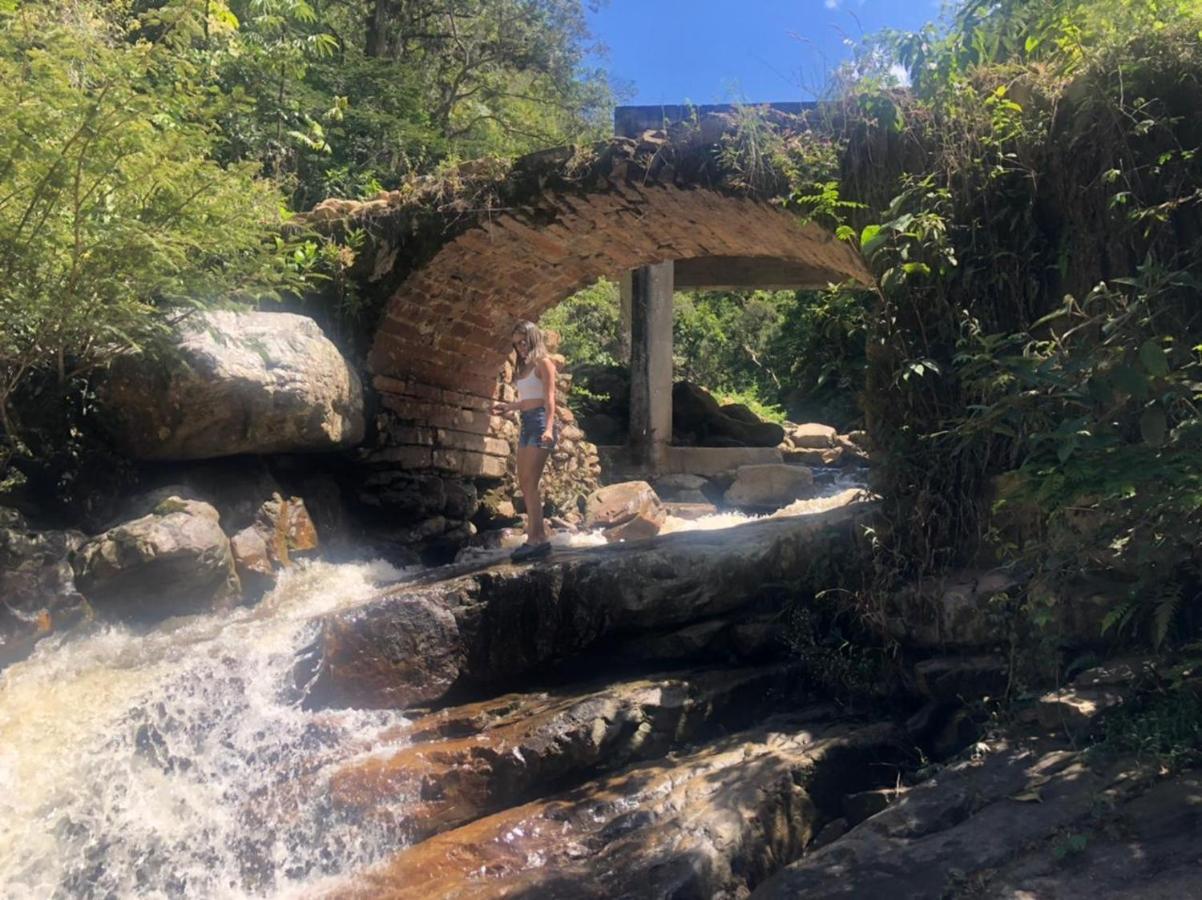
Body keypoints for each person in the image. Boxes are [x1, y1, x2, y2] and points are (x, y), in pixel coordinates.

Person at [492, 320, 559, 561]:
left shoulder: (545, 363)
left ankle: (535, 538)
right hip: (527, 423)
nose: (520, 347)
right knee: (525, 483)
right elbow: (528, 400)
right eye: (516, 344)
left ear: (533, 338)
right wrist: (509, 406)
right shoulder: (525, 367)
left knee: (530, 482)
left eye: (523, 342)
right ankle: (538, 537)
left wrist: (550, 429)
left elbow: (550, 399)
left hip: (541, 423)